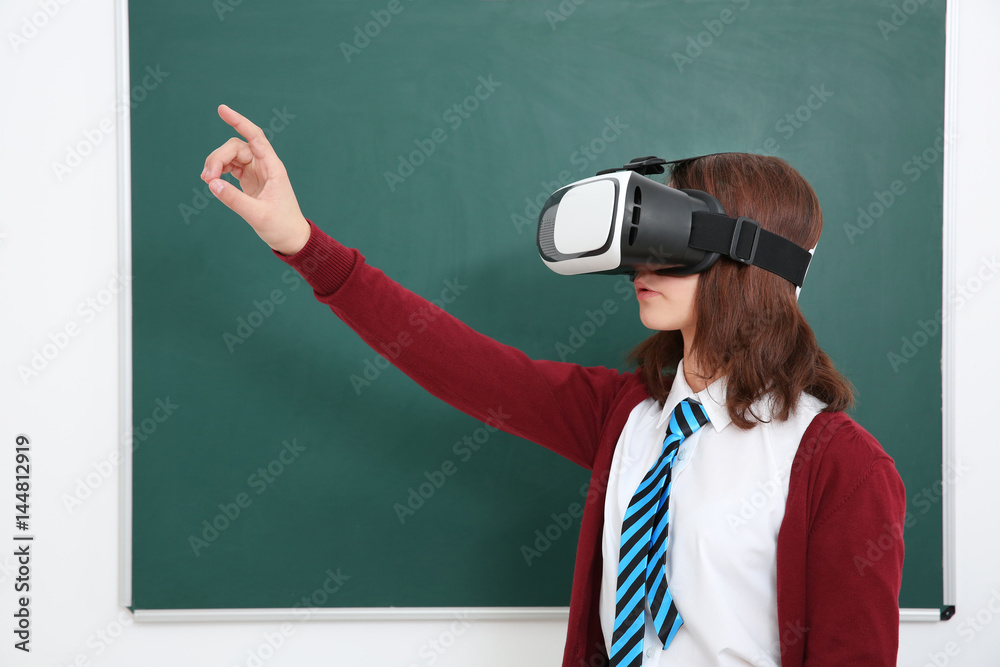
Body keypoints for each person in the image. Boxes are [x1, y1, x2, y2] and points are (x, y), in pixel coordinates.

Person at [201, 104, 907, 666]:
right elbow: (457, 362)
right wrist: (301, 241)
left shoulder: (838, 465)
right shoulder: (625, 416)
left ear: (750, 264)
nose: (642, 265)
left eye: (675, 240)